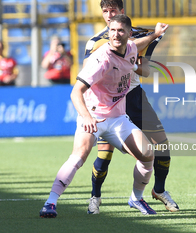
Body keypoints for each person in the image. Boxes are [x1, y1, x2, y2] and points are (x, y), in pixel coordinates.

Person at [40, 14, 157, 218]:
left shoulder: (130, 48)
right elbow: (76, 92)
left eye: (120, 30)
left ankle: (136, 198)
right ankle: (50, 202)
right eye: (112, 30)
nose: (115, 34)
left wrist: (155, 34)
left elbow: (140, 43)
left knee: (148, 155)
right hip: (94, 117)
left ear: (129, 33)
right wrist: (86, 117)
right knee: (79, 156)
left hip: (118, 119)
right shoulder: (100, 59)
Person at [84, 0, 179, 215]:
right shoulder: (96, 41)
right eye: (106, 12)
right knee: (104, 155)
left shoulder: (141, 35)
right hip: (108, 100)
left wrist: (132, 62)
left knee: (162, 146)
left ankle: (159, 190)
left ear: (122, 12)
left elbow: (144, 69)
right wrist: (153, 34)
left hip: (134, 96)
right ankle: (95, 197)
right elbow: (88, 68)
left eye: (113, 11)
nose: (109, 15)